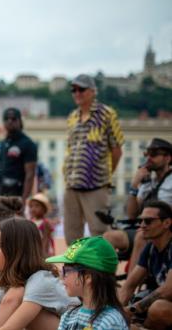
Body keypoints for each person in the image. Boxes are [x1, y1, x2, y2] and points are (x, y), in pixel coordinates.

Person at [63, 74, 124, 244]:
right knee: (71, 233)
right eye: (73, 90)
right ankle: (74, 269)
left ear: (92, 91)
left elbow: (117, 150)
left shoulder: (106, 114)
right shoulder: (72, 117)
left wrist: (105, 177)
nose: (77, 93)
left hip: (96, 185)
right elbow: (71, 149)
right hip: (72, 184)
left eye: (81, 89)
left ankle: (102, 271)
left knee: (99, 232)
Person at [0, 218, 78, 330]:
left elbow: (7, 325)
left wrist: (13, 297)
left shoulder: (41, 280)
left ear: (18, 249)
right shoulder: (11, 282)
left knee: (26, 307)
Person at [104, 138, 172, 265]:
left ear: (168, 158)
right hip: (145, 228)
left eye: (154, 154)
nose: (149, 158)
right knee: (109, 237)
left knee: (141, 236)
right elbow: (131, 214)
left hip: (165, 229)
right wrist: (134, 185)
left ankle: (131, 283)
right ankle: (107, 282)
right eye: (148, 154)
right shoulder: (147, 184)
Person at [46, 236, 127, 330]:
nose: (62, 276)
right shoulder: (68, 316)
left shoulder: (110, 321)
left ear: (88, 277)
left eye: (66, 270)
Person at [118, 201, 172, 329]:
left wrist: (132, 309)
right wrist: (116, 312)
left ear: (167, 223)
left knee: (158, 309)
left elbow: (168, 289)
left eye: (148, 221)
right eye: (140, 221)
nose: (142, 225)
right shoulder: (151, 248)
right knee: (115, 295)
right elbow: (129, 285)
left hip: (164, 306)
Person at [0, 108, 37, 203]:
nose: (10, 121)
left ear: (20, 121)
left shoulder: (28, 144)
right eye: (7, 119)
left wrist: (24, 200)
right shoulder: (3, 144)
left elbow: (30, 174)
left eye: (13, 119)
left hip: (17, 193)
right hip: (1, 193)